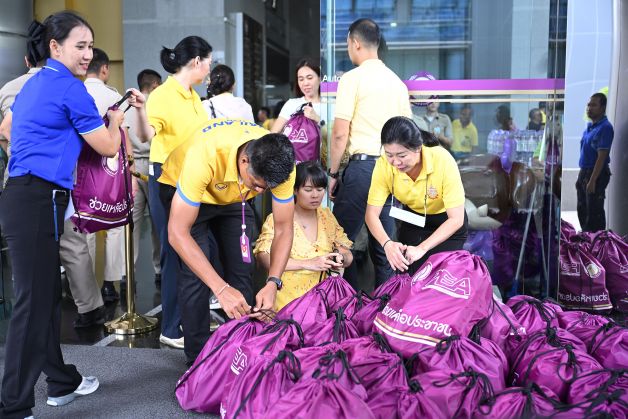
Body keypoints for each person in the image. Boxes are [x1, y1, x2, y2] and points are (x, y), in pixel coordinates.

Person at [0, 12, 145, 417]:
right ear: (55, 46)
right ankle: (13, 407)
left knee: (44, 298)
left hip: (23, 197)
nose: (87, 54)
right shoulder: (70, 88)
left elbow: (8, 129)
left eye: (90, 46)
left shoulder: (34, 83)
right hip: (38, 200)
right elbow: (107, 146)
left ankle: (61, 381)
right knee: (32, 306)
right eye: (79, 46)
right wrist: (116, 121)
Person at [158, 119, 295, 364]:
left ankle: (239, 353)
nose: (261, 192)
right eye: (257, 185)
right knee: (195, 276)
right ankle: (198, 362)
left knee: (242, 269)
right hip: (186, 189)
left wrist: (273, 282)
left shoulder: (281, 165)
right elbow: (177, 233)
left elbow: (284, 228)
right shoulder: (206, 154)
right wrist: (220, 289)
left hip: (233, 196)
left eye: (267, 188)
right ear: (245, 161)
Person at [138, 35, 213, 349]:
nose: (209, 70)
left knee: (196, 247)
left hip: (192, 178)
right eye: (208, 63)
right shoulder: (163, 95)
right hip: (167, 178)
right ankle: (170, 327)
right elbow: (147, 134)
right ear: (196, 61)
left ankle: (190, 316)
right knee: (173, 248)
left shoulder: (193, 96)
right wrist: (141, 111)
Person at [328, 18, 411, 289]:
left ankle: (346, 305)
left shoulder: (352, 79)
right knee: (384, 248)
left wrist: (332, 174)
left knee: (339, 243)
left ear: (355, 43)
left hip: (362, 170)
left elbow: (340, 134)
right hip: (390, 170)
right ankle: (385, 306)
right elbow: (408, 135)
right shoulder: (397, 84)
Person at [365, 116, 468, 275]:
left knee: (440, 277)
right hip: (413, 219)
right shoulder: (383, 165)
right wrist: (387, 244)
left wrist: (422, 248)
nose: (395, 162)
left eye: (402, 155)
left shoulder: (442, 160)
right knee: (409, 275)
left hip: (447, 222)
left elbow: (456, 219)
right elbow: (371, 214)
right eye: (389, 154)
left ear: (418, 148)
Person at [254, 161, 353, 311]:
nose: (315, 195)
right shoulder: (278, 218)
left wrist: (340, 258)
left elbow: (347, 254)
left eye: (320, 189)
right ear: (295, 190)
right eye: (308, 189)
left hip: (322, 305)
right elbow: (264, 259)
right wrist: (308, 263)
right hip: (287, 306)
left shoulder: (327, 216)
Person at [83, 47, 136, 304]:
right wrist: (131, 172)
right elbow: (124, 138)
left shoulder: (75, 92)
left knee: (84, 226)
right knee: (114, 226)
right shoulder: (114, 96)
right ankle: (109, 284)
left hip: (81, 170)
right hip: (110, 171)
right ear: (104, 69)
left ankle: (85, 286)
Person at [126, 69, 163, 286]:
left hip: (132, 167)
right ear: (156, 85)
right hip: (153, 165)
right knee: (158, 220)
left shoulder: (129, 104)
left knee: (133, 223)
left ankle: (127, 271)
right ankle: (160, 269)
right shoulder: (156, 104)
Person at [0, 21, 46, 187]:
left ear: (27, 61)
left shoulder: (6, 89)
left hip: (15, 173)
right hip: (50, 177)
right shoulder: (61, 86)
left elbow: (3, 137)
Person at [576, 93, 613, 232]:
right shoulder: (589, 128)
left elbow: (601, 157)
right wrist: (581, 178)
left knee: (594, 213)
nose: (589, 108)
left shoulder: (605, 127)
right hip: (585, 171)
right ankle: (586, 240)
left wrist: (592, 180)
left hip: (596, 173)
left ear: (602, 108)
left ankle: (597, 242)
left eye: (594, 105)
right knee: (582, 209)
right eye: (588, 105)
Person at [271, 58, 323, 133]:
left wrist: (317, 119)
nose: (305, 83)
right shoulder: (291, 104)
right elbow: (273, 134)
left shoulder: (330, 105)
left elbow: (336, 135)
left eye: (309, 78)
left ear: (319, 79)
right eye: (301, 79)